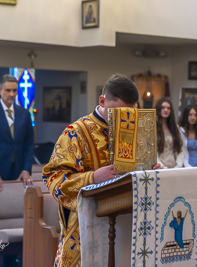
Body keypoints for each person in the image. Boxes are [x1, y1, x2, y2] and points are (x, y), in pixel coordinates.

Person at [42, 73, 160, 267]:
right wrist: (93, 177)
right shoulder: (75, 133)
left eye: (130, 113)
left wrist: (153, 171)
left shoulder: (139, 131)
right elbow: (53, 178)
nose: (124, 120)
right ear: (102, 101)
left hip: (129, 222)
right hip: (86, 227)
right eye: (118, 112)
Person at [155, 98, 183, 168]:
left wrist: (178, 166)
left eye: (168, 108)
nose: (166, 110)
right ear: (158, 109)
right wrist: (162, 167)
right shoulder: (153, 127)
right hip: (159, 167)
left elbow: (181, 149)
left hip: (174, 168)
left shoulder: (175, 127)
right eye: (163, 108)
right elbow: (152, 152)